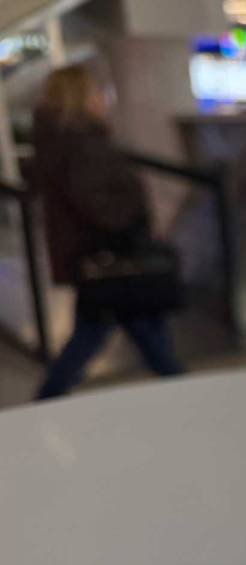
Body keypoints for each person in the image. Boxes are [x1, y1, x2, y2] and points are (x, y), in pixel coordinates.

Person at [33, 65, 183, 400]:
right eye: (97, 92)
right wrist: (135, 217)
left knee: (113, 332)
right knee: (130, 333)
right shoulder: (81, 144)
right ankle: (186, 393)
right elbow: (99, 205)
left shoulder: (65, 141)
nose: (103, 98)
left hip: (101, 259)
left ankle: (182, 390)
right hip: (113, 257)